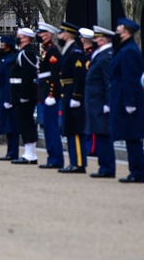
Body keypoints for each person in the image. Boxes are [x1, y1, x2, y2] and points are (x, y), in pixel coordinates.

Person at [109, 18, 144, 183]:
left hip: (130, 101)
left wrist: (130, 101)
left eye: (119, 31)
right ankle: (136, 170)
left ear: (126, 32)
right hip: (126, 99)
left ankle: (138, 172)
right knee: (130, 137)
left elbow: (130, 78)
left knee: (133, 137)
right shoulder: (125, 49)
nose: (117, 34)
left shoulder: (129, 51)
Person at [85, 26, 116, 178]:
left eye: (96, 38)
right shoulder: (101, 54)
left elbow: (108, 81)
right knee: (100, 133)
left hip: (101, 102)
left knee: (104, 135)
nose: (94, 41)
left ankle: (107, 167)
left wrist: (107, 103)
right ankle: (104, 166)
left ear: (103, 40)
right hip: (96, 101)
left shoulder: (106, 56)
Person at [58, 22, 88, 173]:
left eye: (61, 33)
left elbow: (79, 76)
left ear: (67, 34)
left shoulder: (75, 52)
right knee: (69, 128)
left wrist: (76, 96)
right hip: (67, 91)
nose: (59, 36)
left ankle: (79, 163)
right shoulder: (68, 51)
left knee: (75, 129)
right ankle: (74, 161)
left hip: (73, 93)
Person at [36, 23, 65, 169]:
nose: (40, 36)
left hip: (50, 94)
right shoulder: (46, 50)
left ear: (49, 34)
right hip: (44, 93)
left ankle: (55, 159)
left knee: (52, 127)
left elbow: (55, 75)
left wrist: (52, 94)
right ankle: (52, 157)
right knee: (48, 128)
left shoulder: (52, 51)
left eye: (42, 33)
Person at [11, 28, 40, 165]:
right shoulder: (22, 52)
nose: (17, 38)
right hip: (20, 93)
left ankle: (31, 153)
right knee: (24, 122)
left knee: (27, 122)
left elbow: (28, 75)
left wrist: (24, 94)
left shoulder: (27, 53)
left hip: (25, 94)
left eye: (20, 36)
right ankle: (29, 152)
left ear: (27, 38)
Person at [0, 36, 21, 161]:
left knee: (11, 126)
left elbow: (9, 81)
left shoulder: (10, 60)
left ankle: (13, 152)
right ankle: (10, 151)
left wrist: (8, 99)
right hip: (2, 95)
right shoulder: (5, 59)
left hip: (7, 96)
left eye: (3, 44)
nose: (0, 46)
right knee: (7, 125)